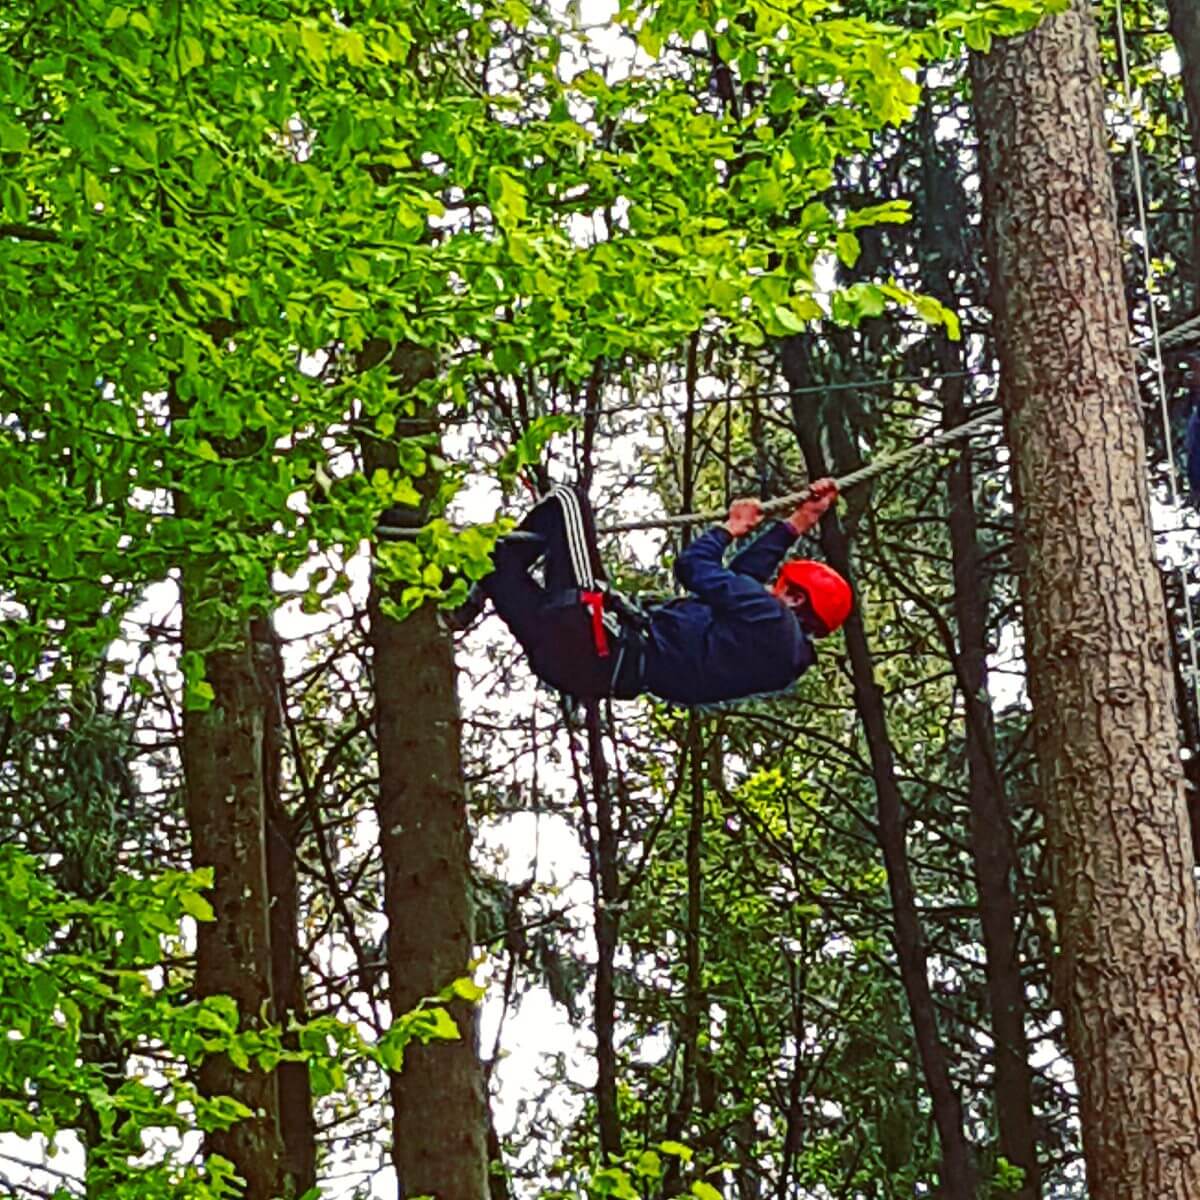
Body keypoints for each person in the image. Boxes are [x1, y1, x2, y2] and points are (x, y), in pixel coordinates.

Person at [446, 479, 852, 706]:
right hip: (577, 668)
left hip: (599, 638)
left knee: (567, 500)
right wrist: (799, 520)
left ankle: (464, 589)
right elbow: (742, 583)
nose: (767, 586)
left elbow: (694, 568)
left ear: (796, 599)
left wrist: (728, 528)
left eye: (777, 586)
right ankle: (461, 597)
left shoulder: (770, 619)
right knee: (497, 563)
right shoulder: (776, 651)